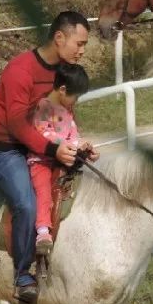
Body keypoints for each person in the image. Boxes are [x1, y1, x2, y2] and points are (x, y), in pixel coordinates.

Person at [0, 11, 90, 304]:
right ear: (59, 38)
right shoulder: (20, 70)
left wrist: (77, 147)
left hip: (43, 149)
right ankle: (23, 274)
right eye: (78, 44)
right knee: (27, 204)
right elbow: (17, 124)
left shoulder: (65, 74)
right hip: (7, 150)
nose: (81, 51)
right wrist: (54, 151)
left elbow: (64, 118)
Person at [27, 63, 98, 255]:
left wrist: (84, 146)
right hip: (42, 161)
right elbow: (44, 133)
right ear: (63, 90)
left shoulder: (67, 111)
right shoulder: (44, 107)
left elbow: (73, 136)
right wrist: (70, 145)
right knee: (43, 191)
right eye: (75, 96)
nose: (76, 101)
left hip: (63, 159)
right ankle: (42, 230)